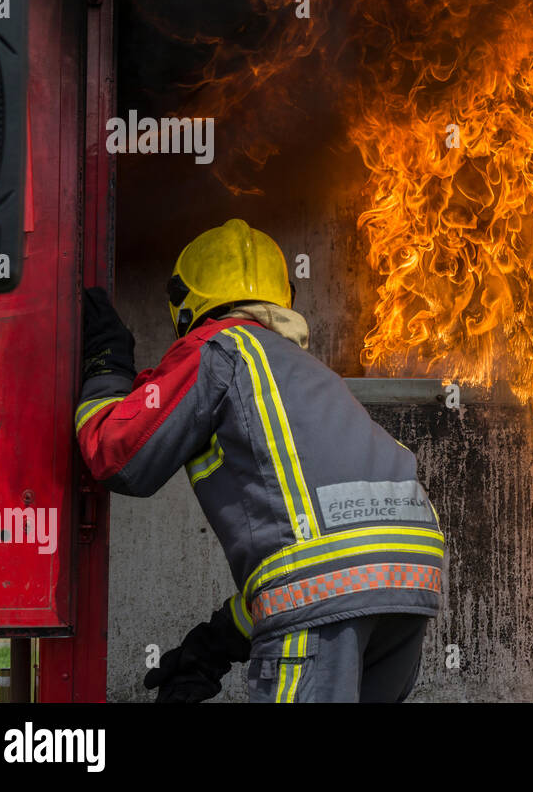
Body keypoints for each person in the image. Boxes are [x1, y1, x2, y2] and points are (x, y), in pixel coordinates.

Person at [74, 218, 444, 702]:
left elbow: (115, 455)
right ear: (282, 297)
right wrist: (214, 644)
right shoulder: (310, 375)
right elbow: (327, 555)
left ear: (185, 305)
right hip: (410, 581)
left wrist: (106, 368)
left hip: (331, 590)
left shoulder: (218, 347)